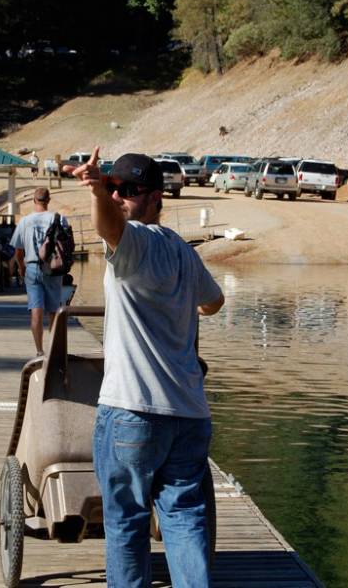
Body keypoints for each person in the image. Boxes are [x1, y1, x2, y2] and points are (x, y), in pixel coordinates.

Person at [64, 148, 225, 588]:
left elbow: (109, 226)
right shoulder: (182, 252)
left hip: (133, 412)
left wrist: (96, 192)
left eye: (129, 191)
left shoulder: (132, 242)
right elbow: (214, 301)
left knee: (127, 524)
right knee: (185, 519)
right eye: (114, 187)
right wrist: (184, 308)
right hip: (189, 415)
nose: (119, 197)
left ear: (156, 198)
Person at [10, 187, 70, 357]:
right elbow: (66, 246)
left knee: (36, 310)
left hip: (32, 267)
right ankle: (53, 350)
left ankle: (39, 350)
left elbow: (18, 252)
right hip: (53, 268)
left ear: (34, 201)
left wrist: (21, 268)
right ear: (48, 200)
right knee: (53, 311)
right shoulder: (59, 219)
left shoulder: (25, 221)